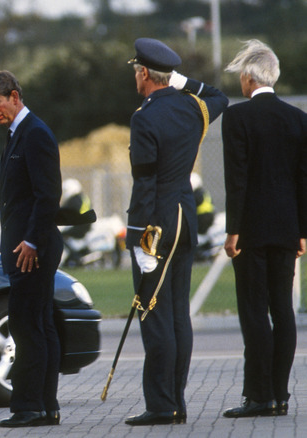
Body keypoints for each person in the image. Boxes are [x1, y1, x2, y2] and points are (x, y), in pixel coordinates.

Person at [123, 38, 227, 426]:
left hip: (156, 224)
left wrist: (138, 238)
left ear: (145, 74)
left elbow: (144, 183)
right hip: (186, 216)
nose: (135, 77)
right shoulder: (193, 107)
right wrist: (184, 83)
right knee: (178, 315)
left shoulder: (144, 118)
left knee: (153, 313)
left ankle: (161, 404)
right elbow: (219, 96)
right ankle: (175, 400)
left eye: (137, 71)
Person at [220, 39, 307, 418]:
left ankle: (258, 397)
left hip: (251, 230)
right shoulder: (298, 119)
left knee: (254, 312)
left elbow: (236, 179)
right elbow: (303, 180)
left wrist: (233, 230)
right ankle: (281, 394)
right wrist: (303, 231)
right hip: (288, 228)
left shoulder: (237, 118)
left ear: (248, 78)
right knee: (283, 311)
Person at [0, 70, 63, 428]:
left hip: (32, 248)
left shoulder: (35, 134)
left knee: (28, 326)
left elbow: (47, 195)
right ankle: (45, 406)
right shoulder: (18, 134)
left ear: (14, 96)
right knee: (39, 325)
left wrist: (31, 241)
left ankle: (28, 406)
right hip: (25, 245)